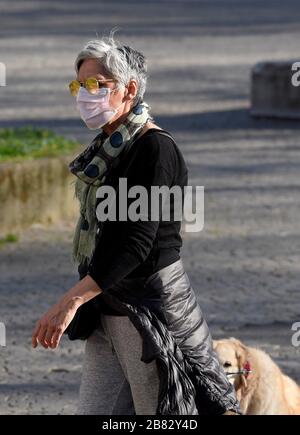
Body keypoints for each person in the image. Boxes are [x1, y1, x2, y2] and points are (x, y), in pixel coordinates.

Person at [32, 32, 241, 415]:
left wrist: (70, 300)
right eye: (78, 84)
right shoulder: (106, 151)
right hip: (106, 310)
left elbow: (134, 244)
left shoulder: (154, 149)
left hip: (147, 314)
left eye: (97, 84)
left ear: (129, 89)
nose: (84, 93)